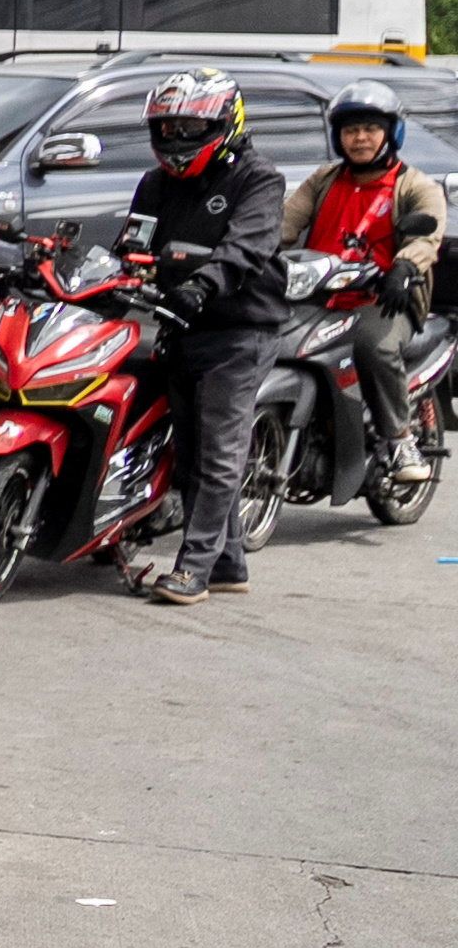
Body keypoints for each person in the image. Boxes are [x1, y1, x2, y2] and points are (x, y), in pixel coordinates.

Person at [129, 66, 287, 606]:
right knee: (191, 452)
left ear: (225, 123)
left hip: (241, 329)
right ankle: (228, 563)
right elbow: (135, 246)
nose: (175, 141)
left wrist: (204, 283)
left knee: (220, 454)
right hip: (178, 323)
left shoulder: (258, 178)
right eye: (166, 129)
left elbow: (247, 248)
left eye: (188, 129)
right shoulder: (155, 183)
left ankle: (192, 568)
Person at [282, 80, 445, 491]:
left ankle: (400, 439)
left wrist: (405, 267)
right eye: (350, 130)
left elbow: (427, 236)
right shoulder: (323, 180)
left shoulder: (415, 185)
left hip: (383, 299)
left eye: (370, 129)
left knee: (374, 345)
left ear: (391, 133)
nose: (359, 138)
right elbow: (283, 225)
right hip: (320, 297)